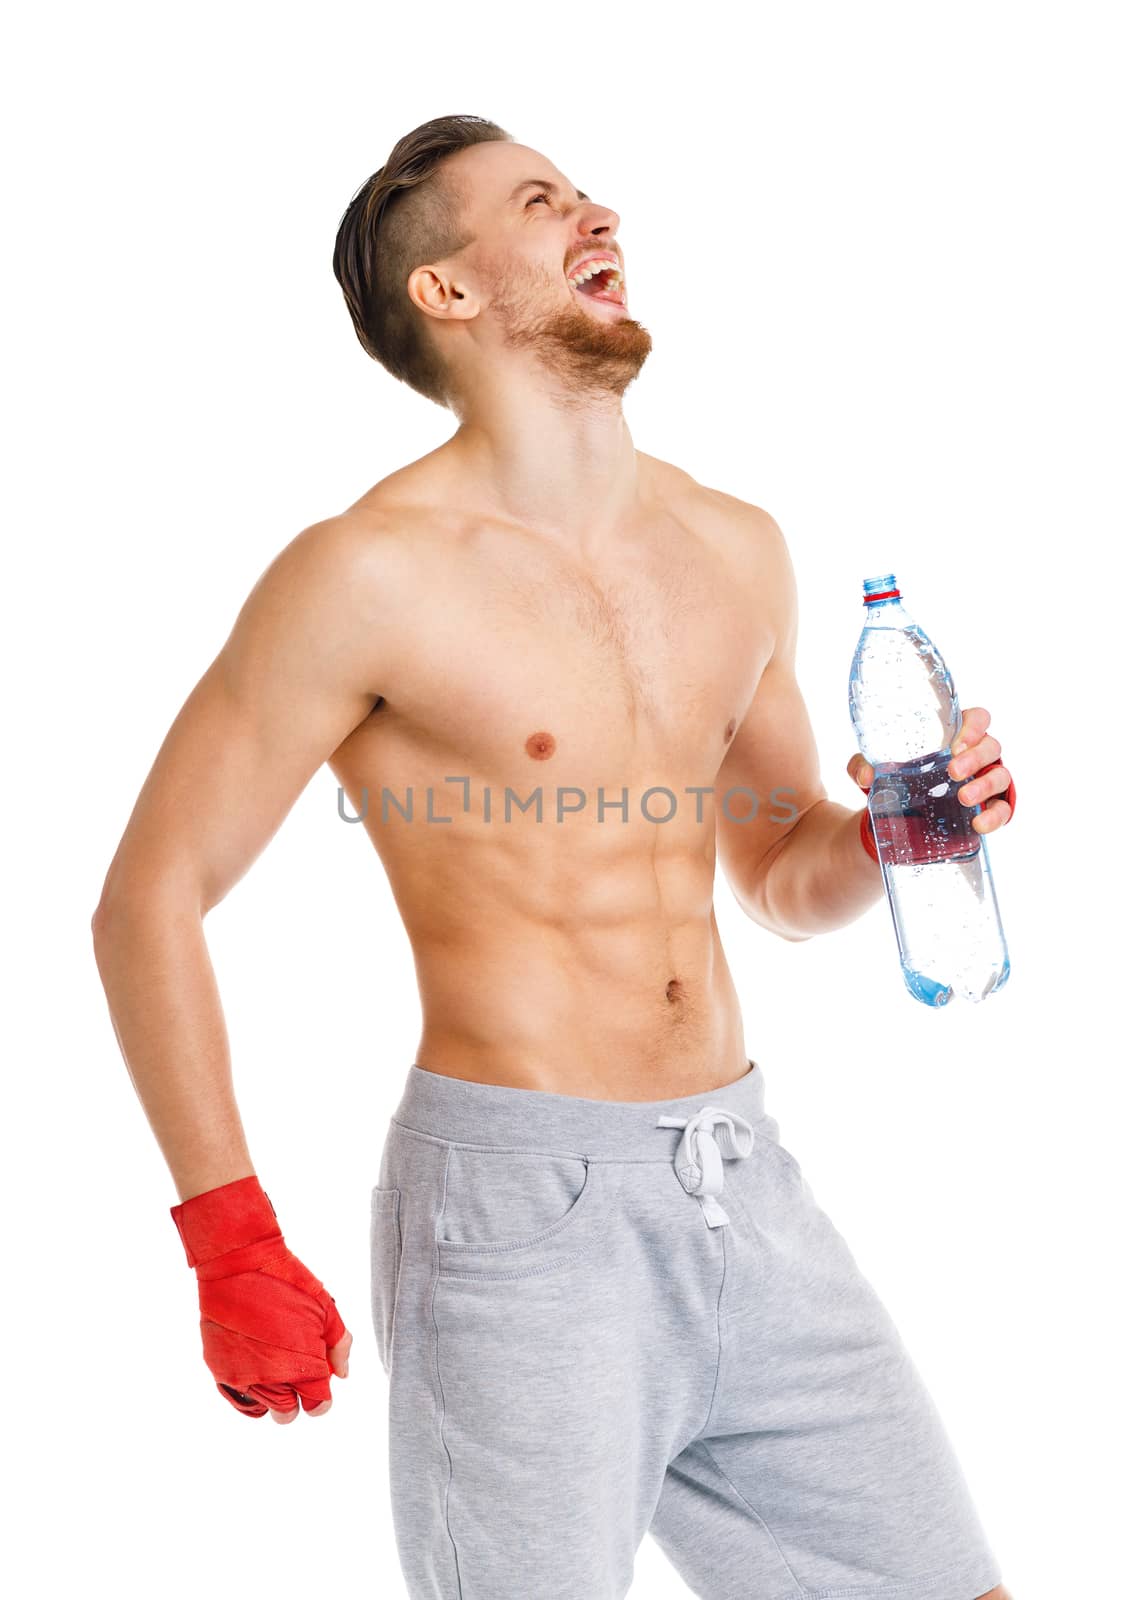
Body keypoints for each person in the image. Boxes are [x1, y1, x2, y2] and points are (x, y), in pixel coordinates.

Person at [91, 114, 1017, 1600]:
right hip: (518, 1223)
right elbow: (151, 895)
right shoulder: (367, 573)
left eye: (588, 192)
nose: (599, 213)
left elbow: (781, 878)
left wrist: (906, 836)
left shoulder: (733, 545)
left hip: (746, 1182)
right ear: (448, 292)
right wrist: (228, 1234)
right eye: (542, 202)